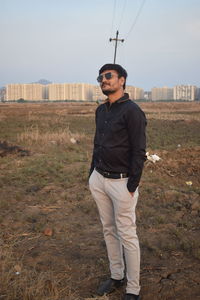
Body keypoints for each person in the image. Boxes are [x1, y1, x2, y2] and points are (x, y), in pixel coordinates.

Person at [89, 63, 147, 300]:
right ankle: (116, 275)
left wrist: (132, 185)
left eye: (108, 76)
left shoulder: (132, 111)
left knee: (127, 234)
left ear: (122, 80)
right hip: (99, 179)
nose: (103, 80)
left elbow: (139, 150)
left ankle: (133, 288)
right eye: (100, 77)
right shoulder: (101, 111)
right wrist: (92, 173)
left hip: (122, 183)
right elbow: (97, 144)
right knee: (108, 229)